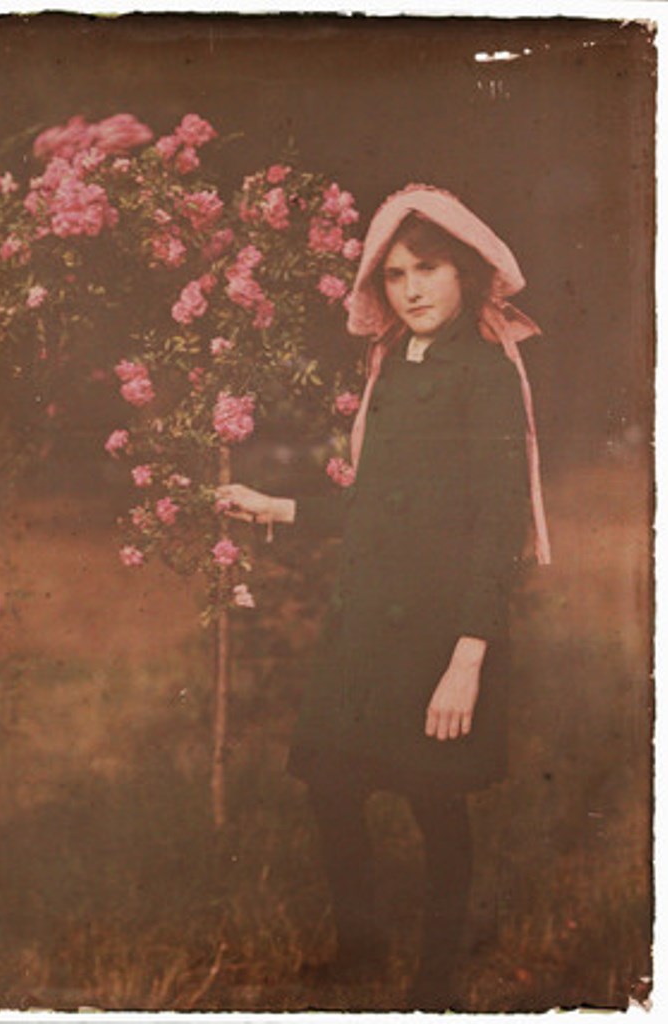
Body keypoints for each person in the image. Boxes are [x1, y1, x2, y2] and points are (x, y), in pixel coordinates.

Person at [218, 184, 550, 1010]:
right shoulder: (392, 371)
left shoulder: (484, 375)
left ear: (466, 274)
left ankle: (436, 984)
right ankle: (361, 953)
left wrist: (466, 659)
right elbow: (375, 505)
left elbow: (496, 525)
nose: (410, 288)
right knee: (332, 786)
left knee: (434, 801)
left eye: (428, 269)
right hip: (367, 623)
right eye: (395, 273)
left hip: (440, 632)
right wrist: (277, 506)